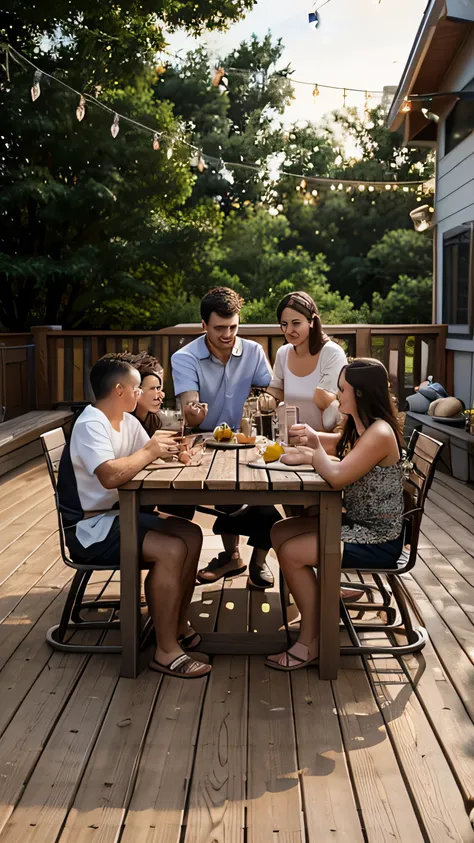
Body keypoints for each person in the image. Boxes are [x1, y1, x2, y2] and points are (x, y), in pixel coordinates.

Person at [57, 354, 211, 679]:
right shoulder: (91, 423)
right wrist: (151, 452)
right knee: (172, 549)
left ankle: (175, 624)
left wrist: (179, 454)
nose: (141, 394)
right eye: (137, 388)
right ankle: (165, 651)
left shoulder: (126, 420)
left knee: (191, 534)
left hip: (118, 517)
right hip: (90, 530)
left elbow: (151, 456)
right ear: (118, 390)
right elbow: (111, 475)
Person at [266, 358, 405, 672]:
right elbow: (340, 451)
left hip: (377, 537)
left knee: (291, 551)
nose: (337, 394)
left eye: (342, 389)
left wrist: (313, 453)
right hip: (358, 522)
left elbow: (338, 475)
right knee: (279, 531)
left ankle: (311, 640)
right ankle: (321, 598)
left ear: (360, 394)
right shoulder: (363, 427)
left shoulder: (380, 432)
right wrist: (312, 442)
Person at [171, 286, 281, 590]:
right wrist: (195, 412)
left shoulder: (254, 351)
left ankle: (253, 561)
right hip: (206, 444)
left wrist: (267, 400)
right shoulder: (185, 357)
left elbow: (270, 391)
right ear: (203, 325)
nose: (227, 334)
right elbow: (190, 411)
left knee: (265, 492)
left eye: (233, 326)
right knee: (230, 496)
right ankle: (232, 556)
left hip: (246, 441)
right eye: (219, 327)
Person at [264, 291, 347, 434]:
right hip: (291, 437)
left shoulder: (332, 353)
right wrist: (267, 399)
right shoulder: (283, 353)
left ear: (312, 322)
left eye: (296, 323)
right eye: (284, 324)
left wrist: (330, 394)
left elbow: (325, 401)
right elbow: (276, 391)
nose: (289, 331)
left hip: (326, 439)